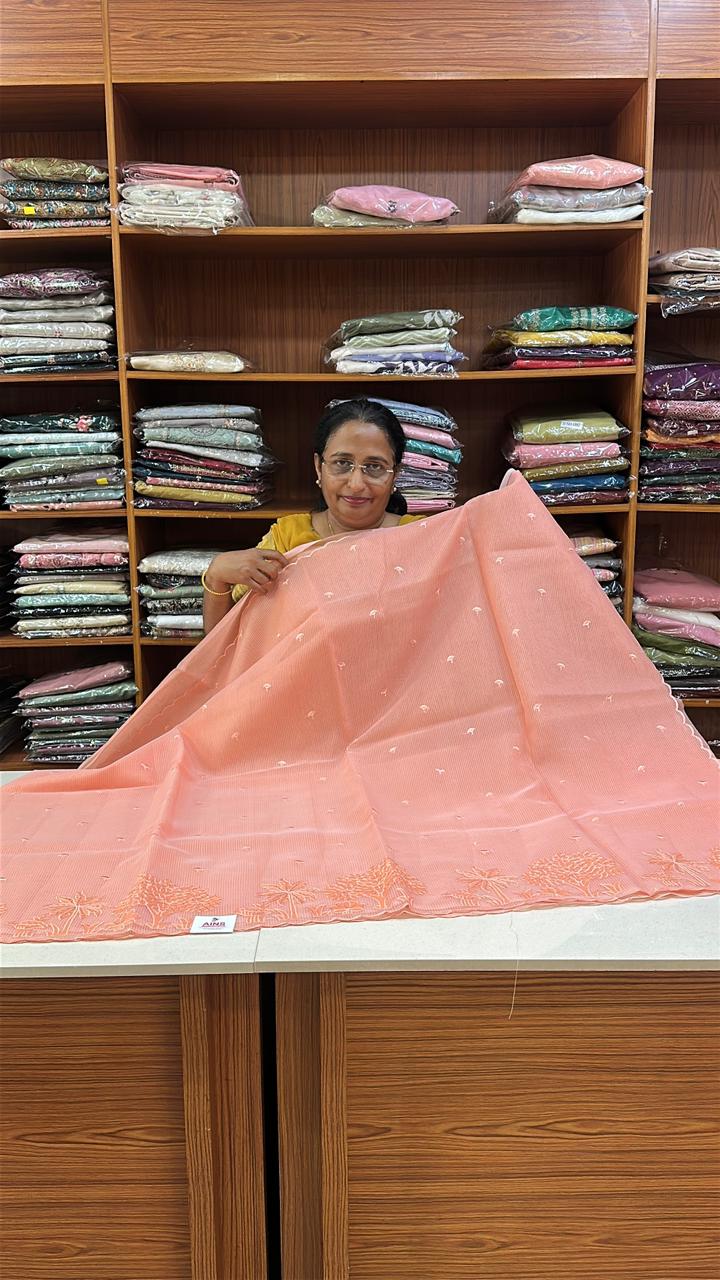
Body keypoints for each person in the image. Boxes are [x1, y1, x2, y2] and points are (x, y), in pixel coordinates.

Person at [202, 398, 417, 632]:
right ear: (318, 467)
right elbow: (227, 642)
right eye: (342, 463)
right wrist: (216, 576)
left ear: (395, 474)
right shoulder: (288, 539)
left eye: (374, 466)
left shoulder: (421, 538)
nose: (356, 484)